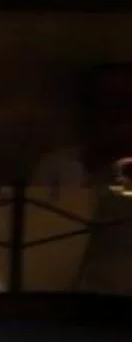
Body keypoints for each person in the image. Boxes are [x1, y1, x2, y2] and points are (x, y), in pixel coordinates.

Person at [29, 62, 132, 295]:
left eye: (126, 103)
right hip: (65, 297)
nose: (117, 113)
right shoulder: (56, 166)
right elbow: (40, 244)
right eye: (107, 103)